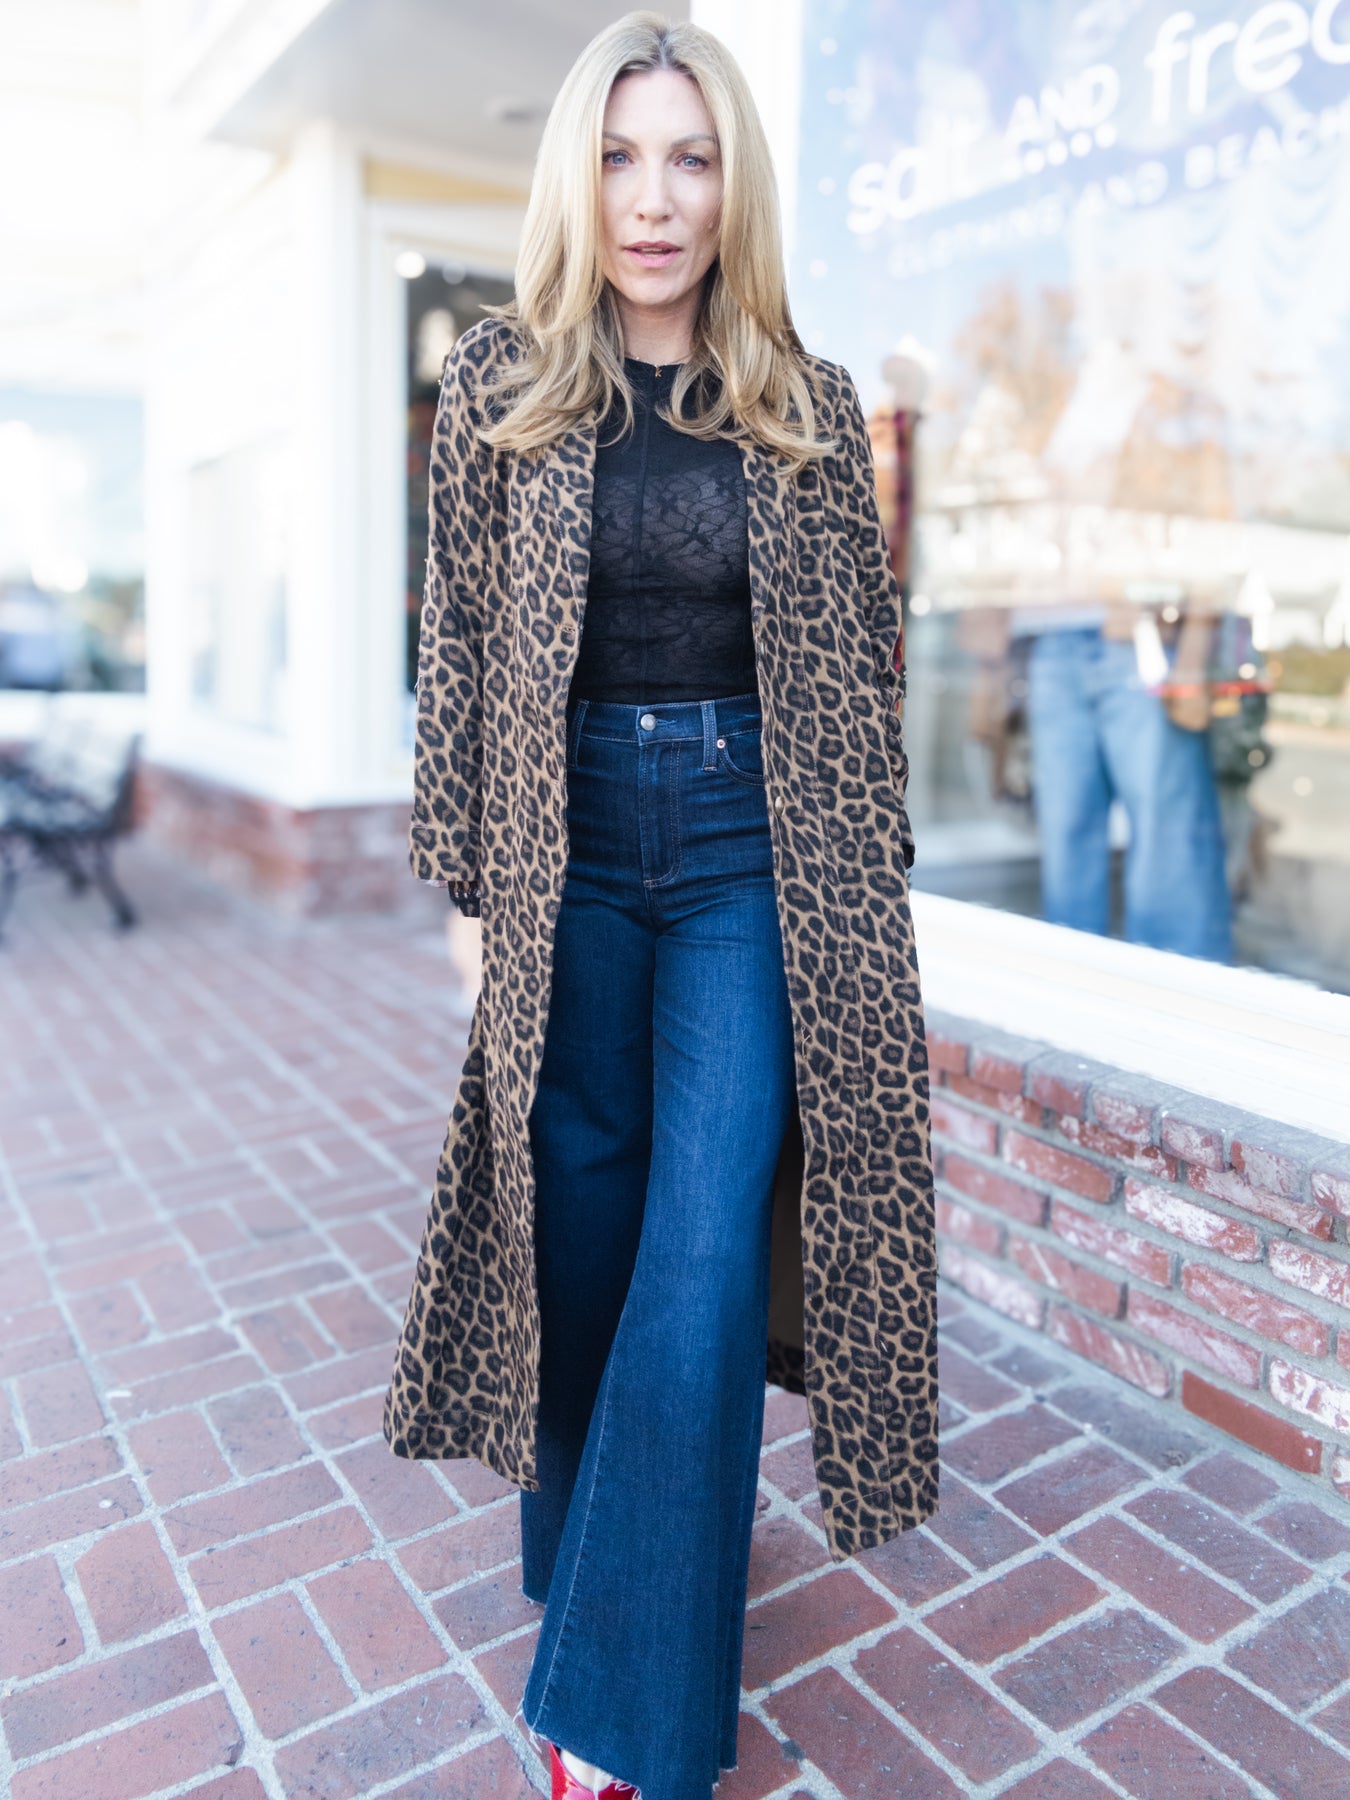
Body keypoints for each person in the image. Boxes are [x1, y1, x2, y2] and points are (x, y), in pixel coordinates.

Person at [382, 15, 937, 1800]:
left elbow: (856, 673)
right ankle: (593, 1558)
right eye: (621, 157)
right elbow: (460, 653)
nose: (654, 198)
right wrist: (467, 890)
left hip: (747, 849)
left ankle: (618, 1725)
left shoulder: (802, 399)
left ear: (730, 184)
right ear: (579, 177)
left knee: (700, 1249)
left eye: (690, 159)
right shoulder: (500, 381)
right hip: (559, 846)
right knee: (579, 1229)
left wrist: (870, 893)